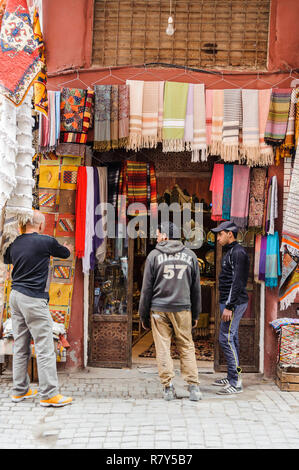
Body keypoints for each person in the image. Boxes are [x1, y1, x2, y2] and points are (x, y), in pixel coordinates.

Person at [3, 210, 73, 407]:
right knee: (44, 346)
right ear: (41, 225)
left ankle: (19, 391)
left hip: (15, 297)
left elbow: (7, 259)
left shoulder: (15, 243)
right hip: (33, 298)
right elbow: (65, 253)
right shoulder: (46, 241)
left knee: (21, 345)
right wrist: (65, 247)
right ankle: (49, 394)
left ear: (23, 225)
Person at [138, 221, 202, 401]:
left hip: (159, 309)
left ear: (165, 236)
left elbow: (146, 289)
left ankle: (168, 387)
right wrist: (196, 313)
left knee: (163, 347)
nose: (157, 238)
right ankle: (194, 387)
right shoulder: (190, 256)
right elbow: (196, 288)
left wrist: (143, 315)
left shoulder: (153, 256)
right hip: (183, 308)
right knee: (186, 346)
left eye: (158, 234)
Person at [211, 220, 249, 395]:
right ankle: (232, 374)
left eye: (220, 234)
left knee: (225, 338)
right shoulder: (230, 251)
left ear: (230, 234)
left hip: (233, 303)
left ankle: (235, 382)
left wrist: (229, 306)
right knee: (231, 338)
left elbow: (238, 282)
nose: (217, 237)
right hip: (228, 302)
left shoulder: (238, 252)